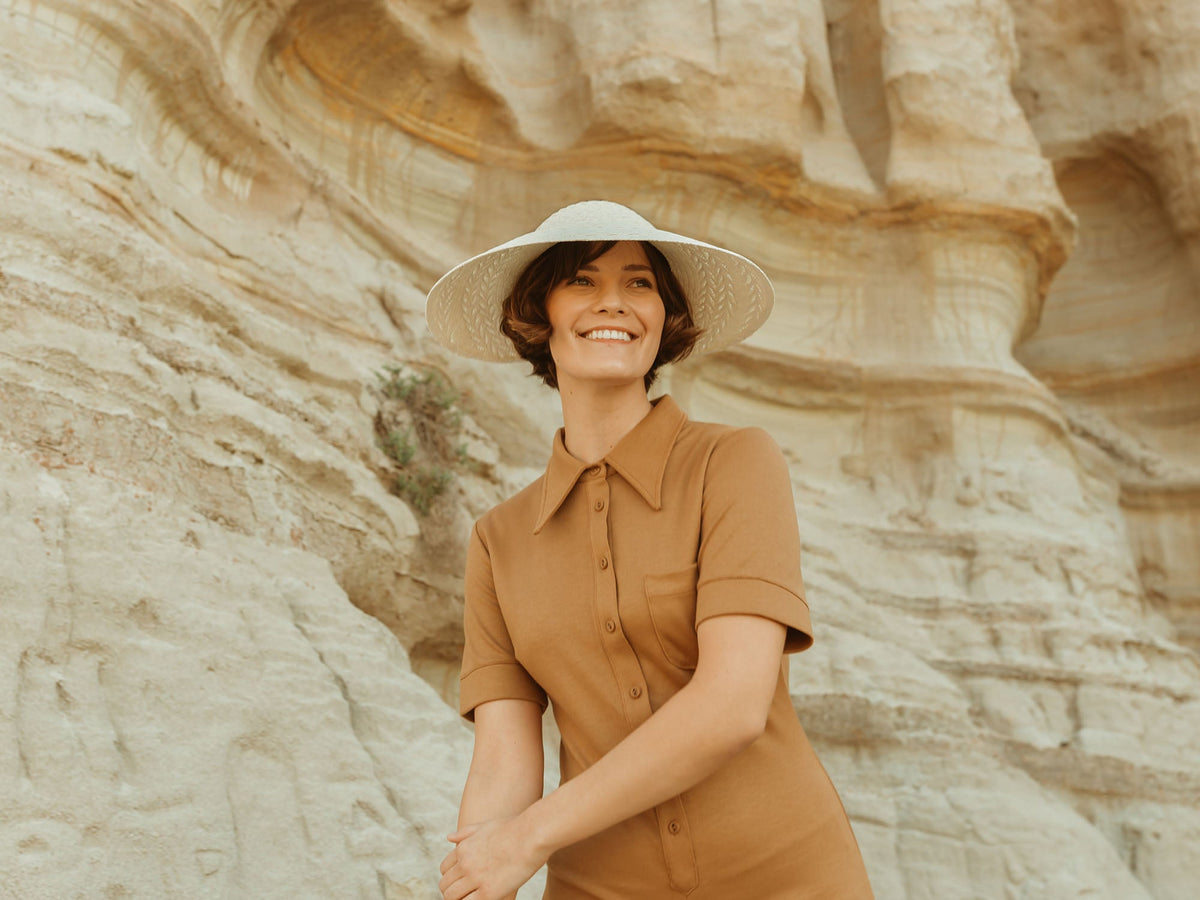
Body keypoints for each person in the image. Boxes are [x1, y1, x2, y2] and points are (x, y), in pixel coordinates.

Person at [425, 201, 874, 900]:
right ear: (537, 315)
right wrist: (479, 878)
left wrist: (528, 839)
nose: (615, 303)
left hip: (788, 878)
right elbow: (502, 763)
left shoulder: (735, 463)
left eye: (640, 284)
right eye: (581, 280)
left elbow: (733, 705)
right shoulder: (498, 541)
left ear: (666, 317)